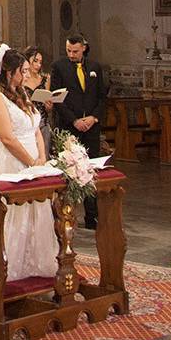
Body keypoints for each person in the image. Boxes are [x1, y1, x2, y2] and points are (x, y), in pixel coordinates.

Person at [0, 49, 58, 280]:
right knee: (14, 217)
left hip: (33, 161)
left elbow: (35, 127)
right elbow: (7, 137)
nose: (27, 75)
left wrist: (41, 158)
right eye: (23, 71)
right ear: (9, 72)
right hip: (10, 161)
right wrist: (30, 161)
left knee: (36, 214)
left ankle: (35, 267)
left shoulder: (23, 95)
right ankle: (10, 272)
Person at [50, 34, 106, 229]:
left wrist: (93, 117)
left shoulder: (95, 68)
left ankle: (92, 215)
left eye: (75, 51)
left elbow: (102, 97)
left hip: (91, 125)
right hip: (70, 126)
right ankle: (67, 214)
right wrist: (74, 120)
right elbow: (58, 99)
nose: (72, 54)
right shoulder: (59, 67)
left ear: (83, 48)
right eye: (69, 51)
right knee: (70, 170)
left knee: (90, 169)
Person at [23, 45, 53, 155]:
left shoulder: (45, 78)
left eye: (40, 62)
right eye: (35, 61)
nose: (38, 65)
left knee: (44, 156)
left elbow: (48, 107)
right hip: (28, 123)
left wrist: (49, 106)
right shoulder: (22, 78)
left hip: (43, 123)